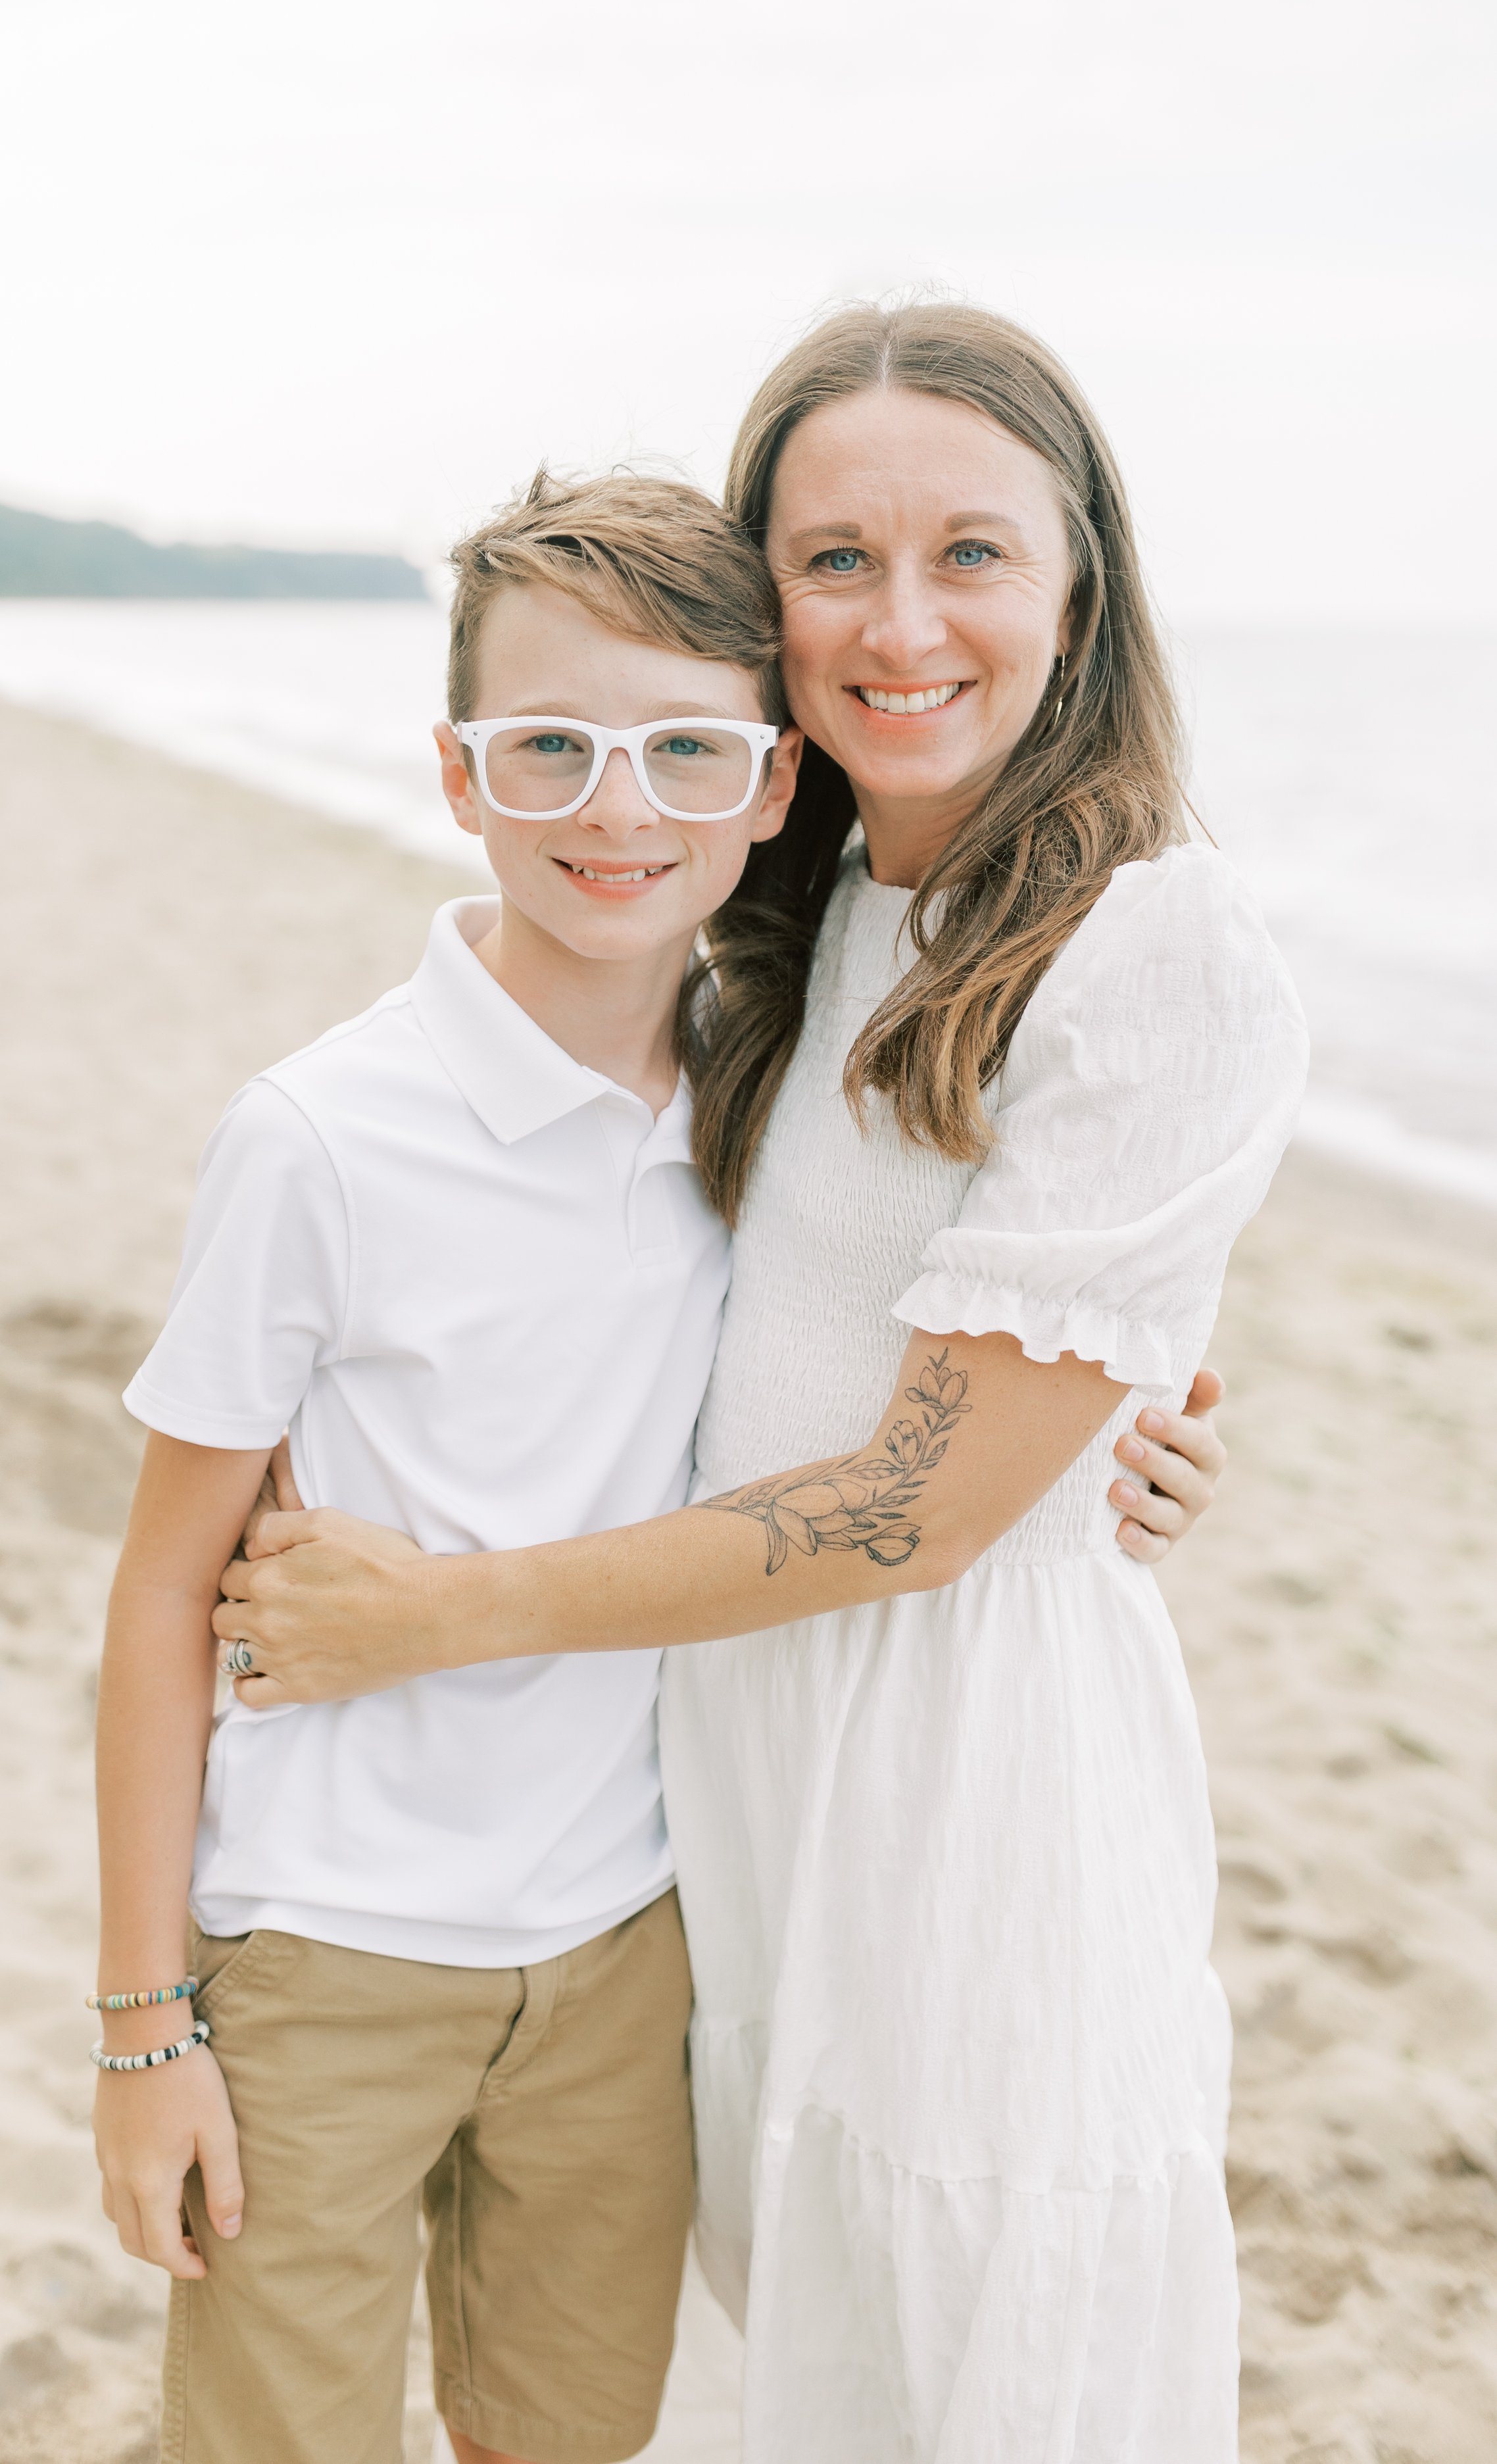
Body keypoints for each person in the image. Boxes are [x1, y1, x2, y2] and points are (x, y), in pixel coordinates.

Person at [214, 303, 1307, 2463]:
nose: (902, 623)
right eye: (833, 561)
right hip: (731, 1749)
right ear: (765, 611)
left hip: (962, 1761)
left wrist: (446, 1608)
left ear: (1080, 584)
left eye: (972, 553)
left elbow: (918, 1503)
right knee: (792, 2329)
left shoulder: (1151, 941)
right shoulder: (811, 925)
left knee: (967, 2332)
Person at [91, 472, 808, 2464]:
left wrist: (1141, 1444)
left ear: (768, 787)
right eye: (548, 748)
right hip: (321, 1950)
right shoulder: (320, 1137)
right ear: (456, 775)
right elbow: (163, 1590)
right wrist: (143, 2031)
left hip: (626, 1950)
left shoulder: (778, 1104)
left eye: (686, 749)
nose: (616, 806)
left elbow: (938, 1380)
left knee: (561, 2441)